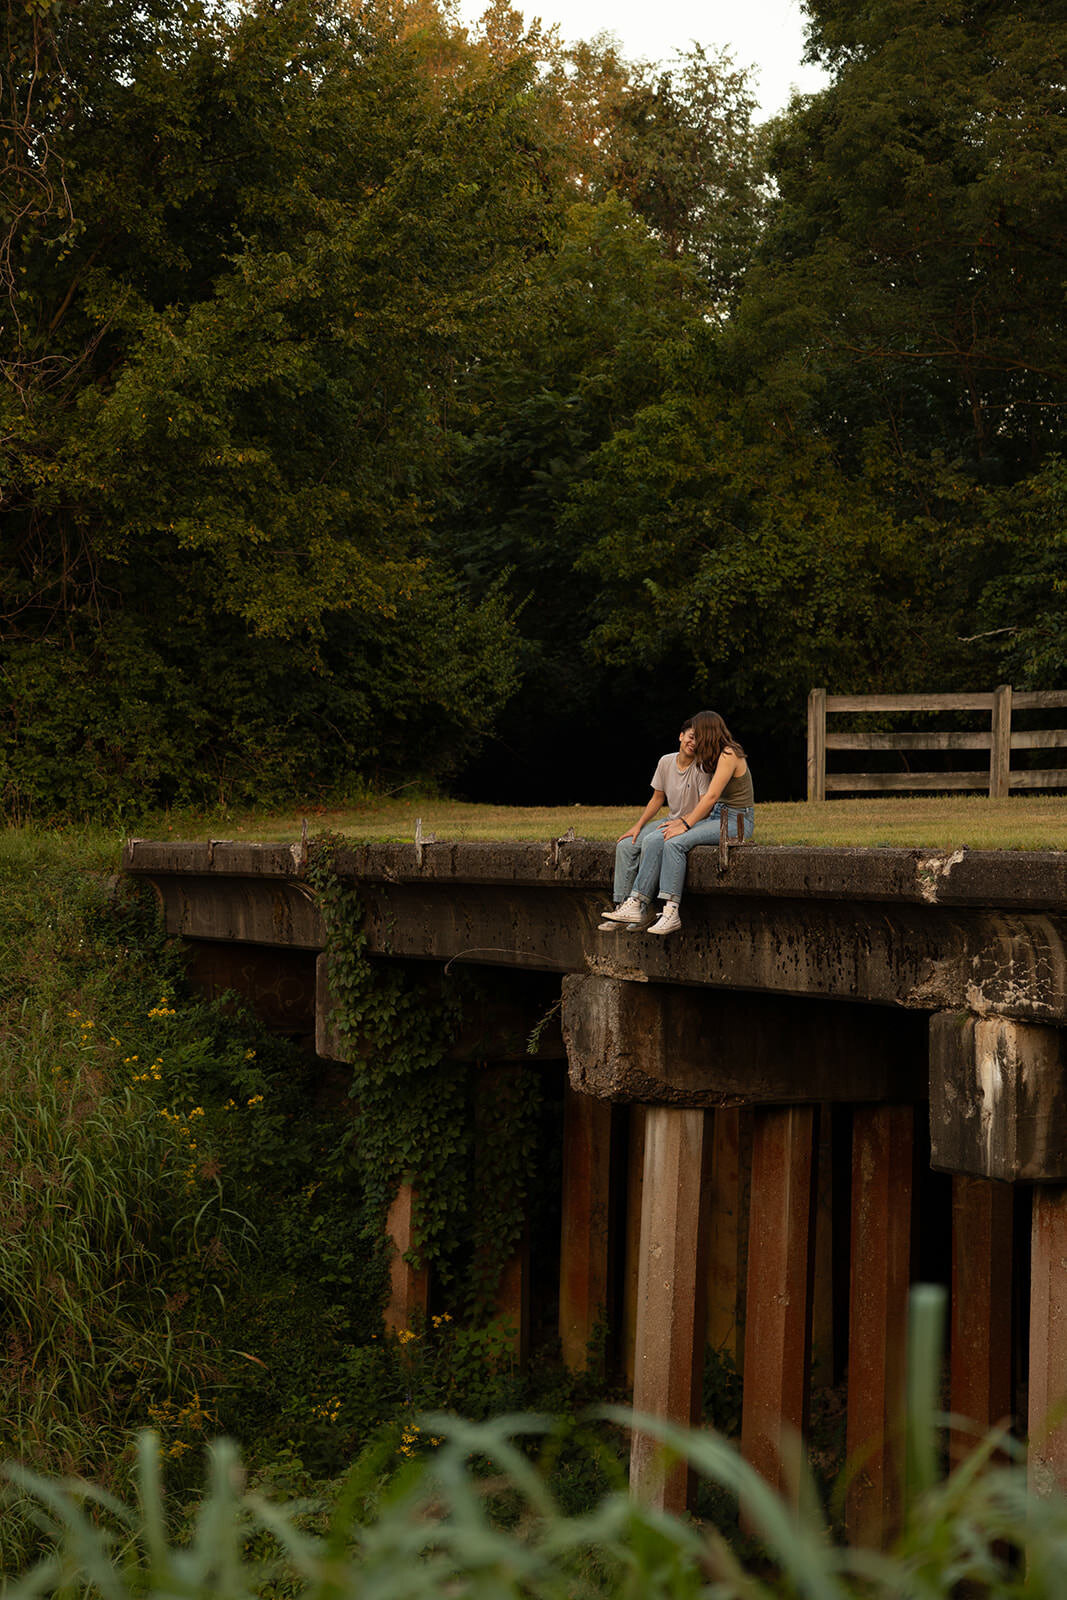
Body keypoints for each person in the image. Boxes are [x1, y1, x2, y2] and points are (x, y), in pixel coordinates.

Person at [600, 710, 754, 936]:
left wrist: (685, 823)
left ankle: (670, 912)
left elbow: (710, 798)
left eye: (699, 734)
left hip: (735, 820)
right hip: (717, 817)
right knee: (661, 838)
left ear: (709, 733)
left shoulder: (729, 754)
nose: (696, 740)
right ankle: (636, 903)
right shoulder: (711, 756)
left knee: (675, 842)